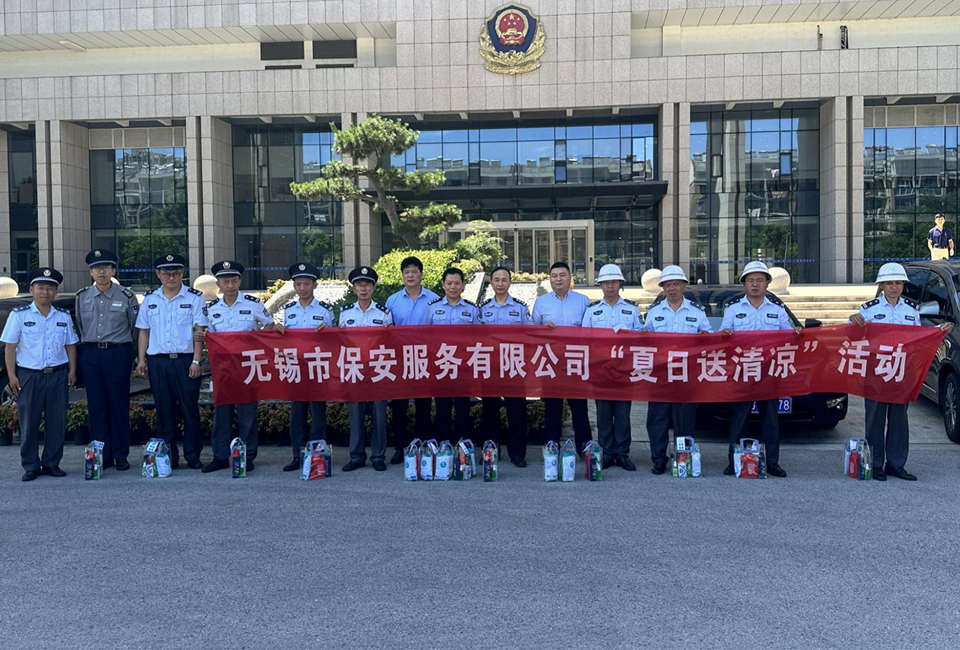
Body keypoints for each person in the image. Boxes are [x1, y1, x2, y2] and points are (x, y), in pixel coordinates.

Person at [849, 262, 952, 481]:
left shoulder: (911, 310)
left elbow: (918, 339)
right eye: (889, 283)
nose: (894, 287)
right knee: (875, 420)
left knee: (899, 420)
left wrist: (938, 330)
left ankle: (895, 464)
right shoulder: (869, 309)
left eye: (898, 283)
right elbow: (854, 337)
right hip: (876, 372)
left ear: (903, 285)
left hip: (900, 372)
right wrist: (852, 321)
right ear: (882, 285)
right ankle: (875, 464)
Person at [720, 261, 800, 478]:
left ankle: (772, 462)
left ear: (767, 284)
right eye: (750, 280)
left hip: (769, 372)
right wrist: (725, 334)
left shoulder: (777, 310)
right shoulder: (733, 309)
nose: (755, 284)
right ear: (744, 284)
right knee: (740, 419)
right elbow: (723, 335)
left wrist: (797, 333)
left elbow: (789, 337)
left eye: (759, 280)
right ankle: (734, 461)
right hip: (743, 371)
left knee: (770, 420)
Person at [2, 268, 78, 481]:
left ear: (55, 292)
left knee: (57, 422)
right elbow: (10, 347)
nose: (45, 292)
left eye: (50, 288)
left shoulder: (62, 316)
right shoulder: (19, 315)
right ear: (32, 290)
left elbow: (70, 345)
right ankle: (31, 465)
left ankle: (52, 463)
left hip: (57, 375)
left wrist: (72, 370)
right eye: (41, 287)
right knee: (29, 422)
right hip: (29, 376)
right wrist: (12, 375)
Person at [200, 260, 275, 473]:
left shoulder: (253, 304)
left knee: (247, 413)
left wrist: (259, 337)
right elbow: (206, 334)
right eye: (225, 282)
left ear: (239, 281)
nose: (230, 285)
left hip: (248, 365)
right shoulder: (212, 309)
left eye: (233, 281)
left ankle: (247, 456)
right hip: (222, 368)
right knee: (221, 412)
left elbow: (269, 324)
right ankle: (220, 456)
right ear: (218, 284)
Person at [135, 254, 208, 470]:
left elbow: (199, 331)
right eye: (166, 274)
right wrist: (141, 359)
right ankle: (168, 456)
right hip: (158, 361)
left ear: (182, 273)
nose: (171, 278)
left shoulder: (194, 297)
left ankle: (193, 455)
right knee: (164, 410)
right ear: (158, 274)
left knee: (189, 410)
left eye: (176, 273)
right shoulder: (150, 299)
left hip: (185, 361)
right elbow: (144, 331)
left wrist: (197, 361)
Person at [74, 249, 140, 472]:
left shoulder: (127, 296)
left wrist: (128, 354)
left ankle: (120, 455)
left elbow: (134, 329)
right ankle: (101, 455)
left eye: (105, 267)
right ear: (90, 272)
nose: (101, 272)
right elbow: (81, 326)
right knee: (96, 405)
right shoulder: (82, 296)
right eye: (96, 268)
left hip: (117, 353)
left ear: (113, 270)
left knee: (118, 404)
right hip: (91, 354)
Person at [643, 265, 712, 475]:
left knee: (684, 420)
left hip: (686, 375)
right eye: (668, 285)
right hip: (660, 375)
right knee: (657, 420)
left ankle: (683, 458)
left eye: (676, 284)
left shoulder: (696, 311)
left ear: (684, 286)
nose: (672, 288)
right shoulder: (654, 312)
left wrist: (704, 337)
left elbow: (709, 338)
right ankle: (658, 460)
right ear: (663, 288)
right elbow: (644, 342)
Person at [581, 264, 643, 470]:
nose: (610, 286)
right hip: (601, 371)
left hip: (625, 371)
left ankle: (622, 454)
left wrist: (630, 334)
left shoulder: (632, 309)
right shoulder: (592, 310)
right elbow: (584, 339)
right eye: (605, 282)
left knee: (623, 415)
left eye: (613, 282)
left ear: (620, 284)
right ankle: (606, 453)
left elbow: (642, 337)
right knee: (603, 415)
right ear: (600, 285)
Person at [530, 261, 593, 455]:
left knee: (579, 407)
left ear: (570, 278)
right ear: (550, 279)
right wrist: (544, 330)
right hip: (551, 362)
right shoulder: (541, 302)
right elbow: (533, 332)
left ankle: (585, 449)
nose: (558, 279)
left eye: (562, 275)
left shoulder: (583, 300)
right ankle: (552, 449)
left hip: (576, 362)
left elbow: (590, 331)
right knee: (552, 407)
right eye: (554, 276)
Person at [277, 262, 335, 472]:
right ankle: (298, 455)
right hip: (296, 367)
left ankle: (317, 454)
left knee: (318, 414)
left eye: (306, 284)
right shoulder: (288, 311)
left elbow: (336, 341)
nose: (302, 288)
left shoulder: (325, 310)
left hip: (317, 367)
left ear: (314, 285)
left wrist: (329, 331)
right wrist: (278, 332)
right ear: (294, 286)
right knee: (297, 414)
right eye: (298, 284)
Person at [385, 256, 439, 464]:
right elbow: (386, 331)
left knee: (423, 405)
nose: (410, 275)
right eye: (406, 272)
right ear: (402, 275)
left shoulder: (434, 299)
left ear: (421, 275)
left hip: (424, 359)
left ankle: (423, 445)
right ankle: (400, 447)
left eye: (414, 271)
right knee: (399, 406)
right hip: (399, 360)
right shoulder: (392, 301)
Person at [339, 266, 392, 471]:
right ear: (354, 289)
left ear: (373, 288)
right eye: (359, 285)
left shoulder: (384, 313)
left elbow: (391, 342)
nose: (363, 289)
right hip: (354, 369)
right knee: (355, 415)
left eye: (367, 285)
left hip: (378, 369)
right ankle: (356, 456)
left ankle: (378, 456)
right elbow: (340, 342)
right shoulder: (345, 313)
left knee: (379, 416)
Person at [478, 266, 531, 467]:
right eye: (496, 280)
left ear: (510, 282)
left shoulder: (520, 308)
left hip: (513, 365)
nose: (500, 283)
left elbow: (529, 336)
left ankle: (517, 454)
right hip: (490, 366)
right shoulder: (482, 309)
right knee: (489, 411)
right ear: (491, 283)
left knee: (516, 411)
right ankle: (490, 451)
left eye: (504, 280)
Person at [427, 267, 479, 442]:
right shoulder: (432, 308)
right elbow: (425, 336)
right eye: (449, 283)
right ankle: (444, 446)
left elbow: (479, 338)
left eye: (457, 283)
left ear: (463, 285)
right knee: (442, 407)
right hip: (440, 365)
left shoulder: (472, 309)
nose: (453, 287)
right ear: (443, 285)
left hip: (464, 366)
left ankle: (462, 447)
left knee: (462, 407)